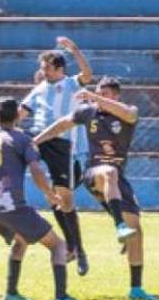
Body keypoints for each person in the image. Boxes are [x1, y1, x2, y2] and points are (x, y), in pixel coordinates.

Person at [36, 77, 157, 300]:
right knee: (108, 172)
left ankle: (136, 288)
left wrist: (94, 97)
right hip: (95, 173)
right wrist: (35, 141)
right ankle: (119, 225)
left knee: (137, 232)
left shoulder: (129, 111)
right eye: (97, 93)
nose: (99, 98)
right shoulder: (88, 112)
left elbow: (130, 115)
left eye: (105, 94)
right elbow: (61, 125)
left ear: (115, 95)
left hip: (118, 177)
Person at [0, 97, 81, 300]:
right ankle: (62, 298)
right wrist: (49, 193)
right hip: (12, 207)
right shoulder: (22, 139)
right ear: (18, 116)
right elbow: (36, 169)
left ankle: (11, 294)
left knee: (21, 241)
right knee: (58, 245)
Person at [7, 37, 94, 276]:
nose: (42, 71)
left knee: (64, 200)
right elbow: (18, 115)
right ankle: (6, 207)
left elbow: (87, 74)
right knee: (52, 196)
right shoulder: (38, 89)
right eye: (42, 67)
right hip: (36, 139)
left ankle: (78, 250)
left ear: (59, 68)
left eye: (46, 67)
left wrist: (75, 49)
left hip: (62, 144)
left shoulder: (71, 84)